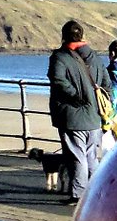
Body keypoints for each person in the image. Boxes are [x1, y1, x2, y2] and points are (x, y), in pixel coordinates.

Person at [47, 19, 111, 204]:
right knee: (92, 157)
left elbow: (58, 81)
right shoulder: (95, 58)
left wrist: (77, 97)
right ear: (82, 36)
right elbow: (107, 84)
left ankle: (79, 194)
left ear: (64, 36)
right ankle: (97, 192)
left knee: (77, 156)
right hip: (95, 116)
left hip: (73, 115)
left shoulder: (60, 57)